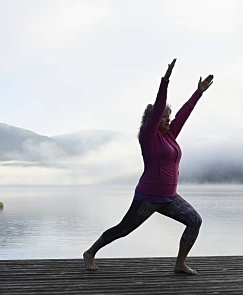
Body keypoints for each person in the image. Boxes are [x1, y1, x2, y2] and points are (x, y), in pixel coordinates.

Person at [83, 58, 214, 275]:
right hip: (149, 196)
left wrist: (198, 92)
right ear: (153, 120)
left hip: (169, 197)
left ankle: (179, 263)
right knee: (123, 229)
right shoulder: (148, 137)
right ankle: (90, 252)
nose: (168, 120)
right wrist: (165, 81)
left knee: (194, 221)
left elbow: (183, 115)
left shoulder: (170, 136)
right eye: (164, 117)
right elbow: (158, 109)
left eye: (168, 117)